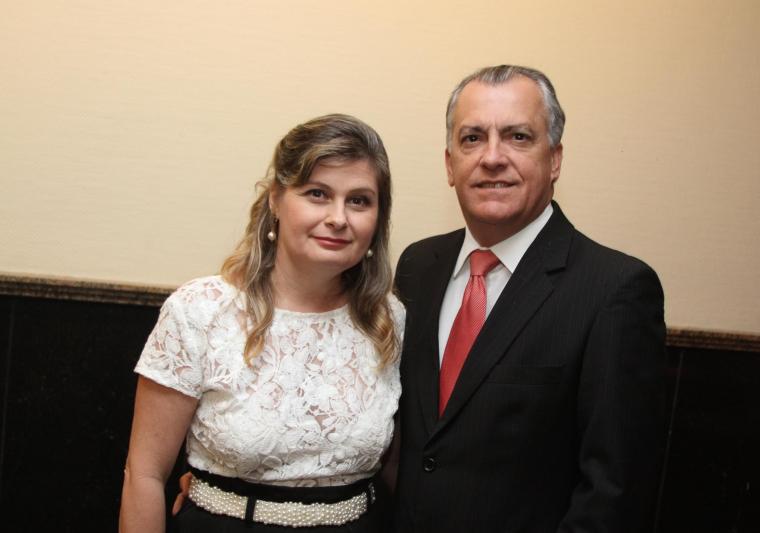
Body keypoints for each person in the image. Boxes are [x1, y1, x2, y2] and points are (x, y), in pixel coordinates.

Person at [392, 65, 666, 532]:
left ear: (554, 159)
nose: (492, 157)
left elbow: (613, 492)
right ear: (450, 164)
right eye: (472, 138)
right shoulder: (418, 266)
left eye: (517, 137)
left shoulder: (614, 289)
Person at [119, 113, 405, 532]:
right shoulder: (200, 311)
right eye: (317, 194)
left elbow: (399, 470)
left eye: (359, 200)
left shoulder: (388, 319)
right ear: (275, 199)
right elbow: (143, 474)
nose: (338, 218)